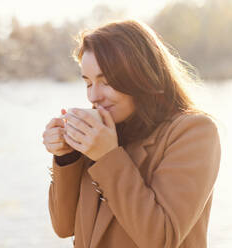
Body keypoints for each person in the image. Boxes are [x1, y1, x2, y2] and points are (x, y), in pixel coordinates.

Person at [42, 19, 221, 248]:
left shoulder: (194, 132)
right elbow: (63, 226)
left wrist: (107, 156)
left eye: (105, 82)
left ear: (141, 74)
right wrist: (67, 156)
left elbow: (161, 239)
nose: (93, 96)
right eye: (88, 83)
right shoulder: (102, 131)